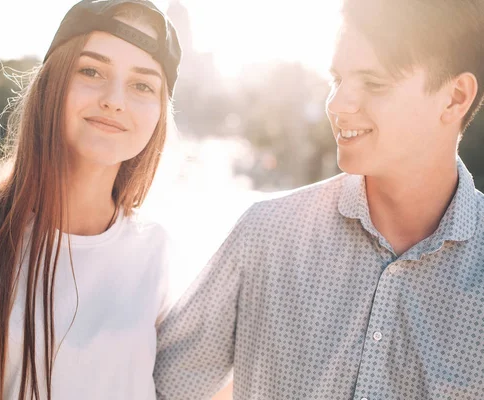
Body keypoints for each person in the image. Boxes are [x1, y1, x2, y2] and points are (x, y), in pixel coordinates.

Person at [153, 0, 484, 399]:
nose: (337, 104)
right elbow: (154, 387)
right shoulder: (266, 236)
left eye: (373, 83)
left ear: (454, 98)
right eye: (337, 79)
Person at [0, 0, 181, 398]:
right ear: (51, 82)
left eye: (142, 84)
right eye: (91, 70)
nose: (115, 100)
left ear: (159, 113)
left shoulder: (159, 253)